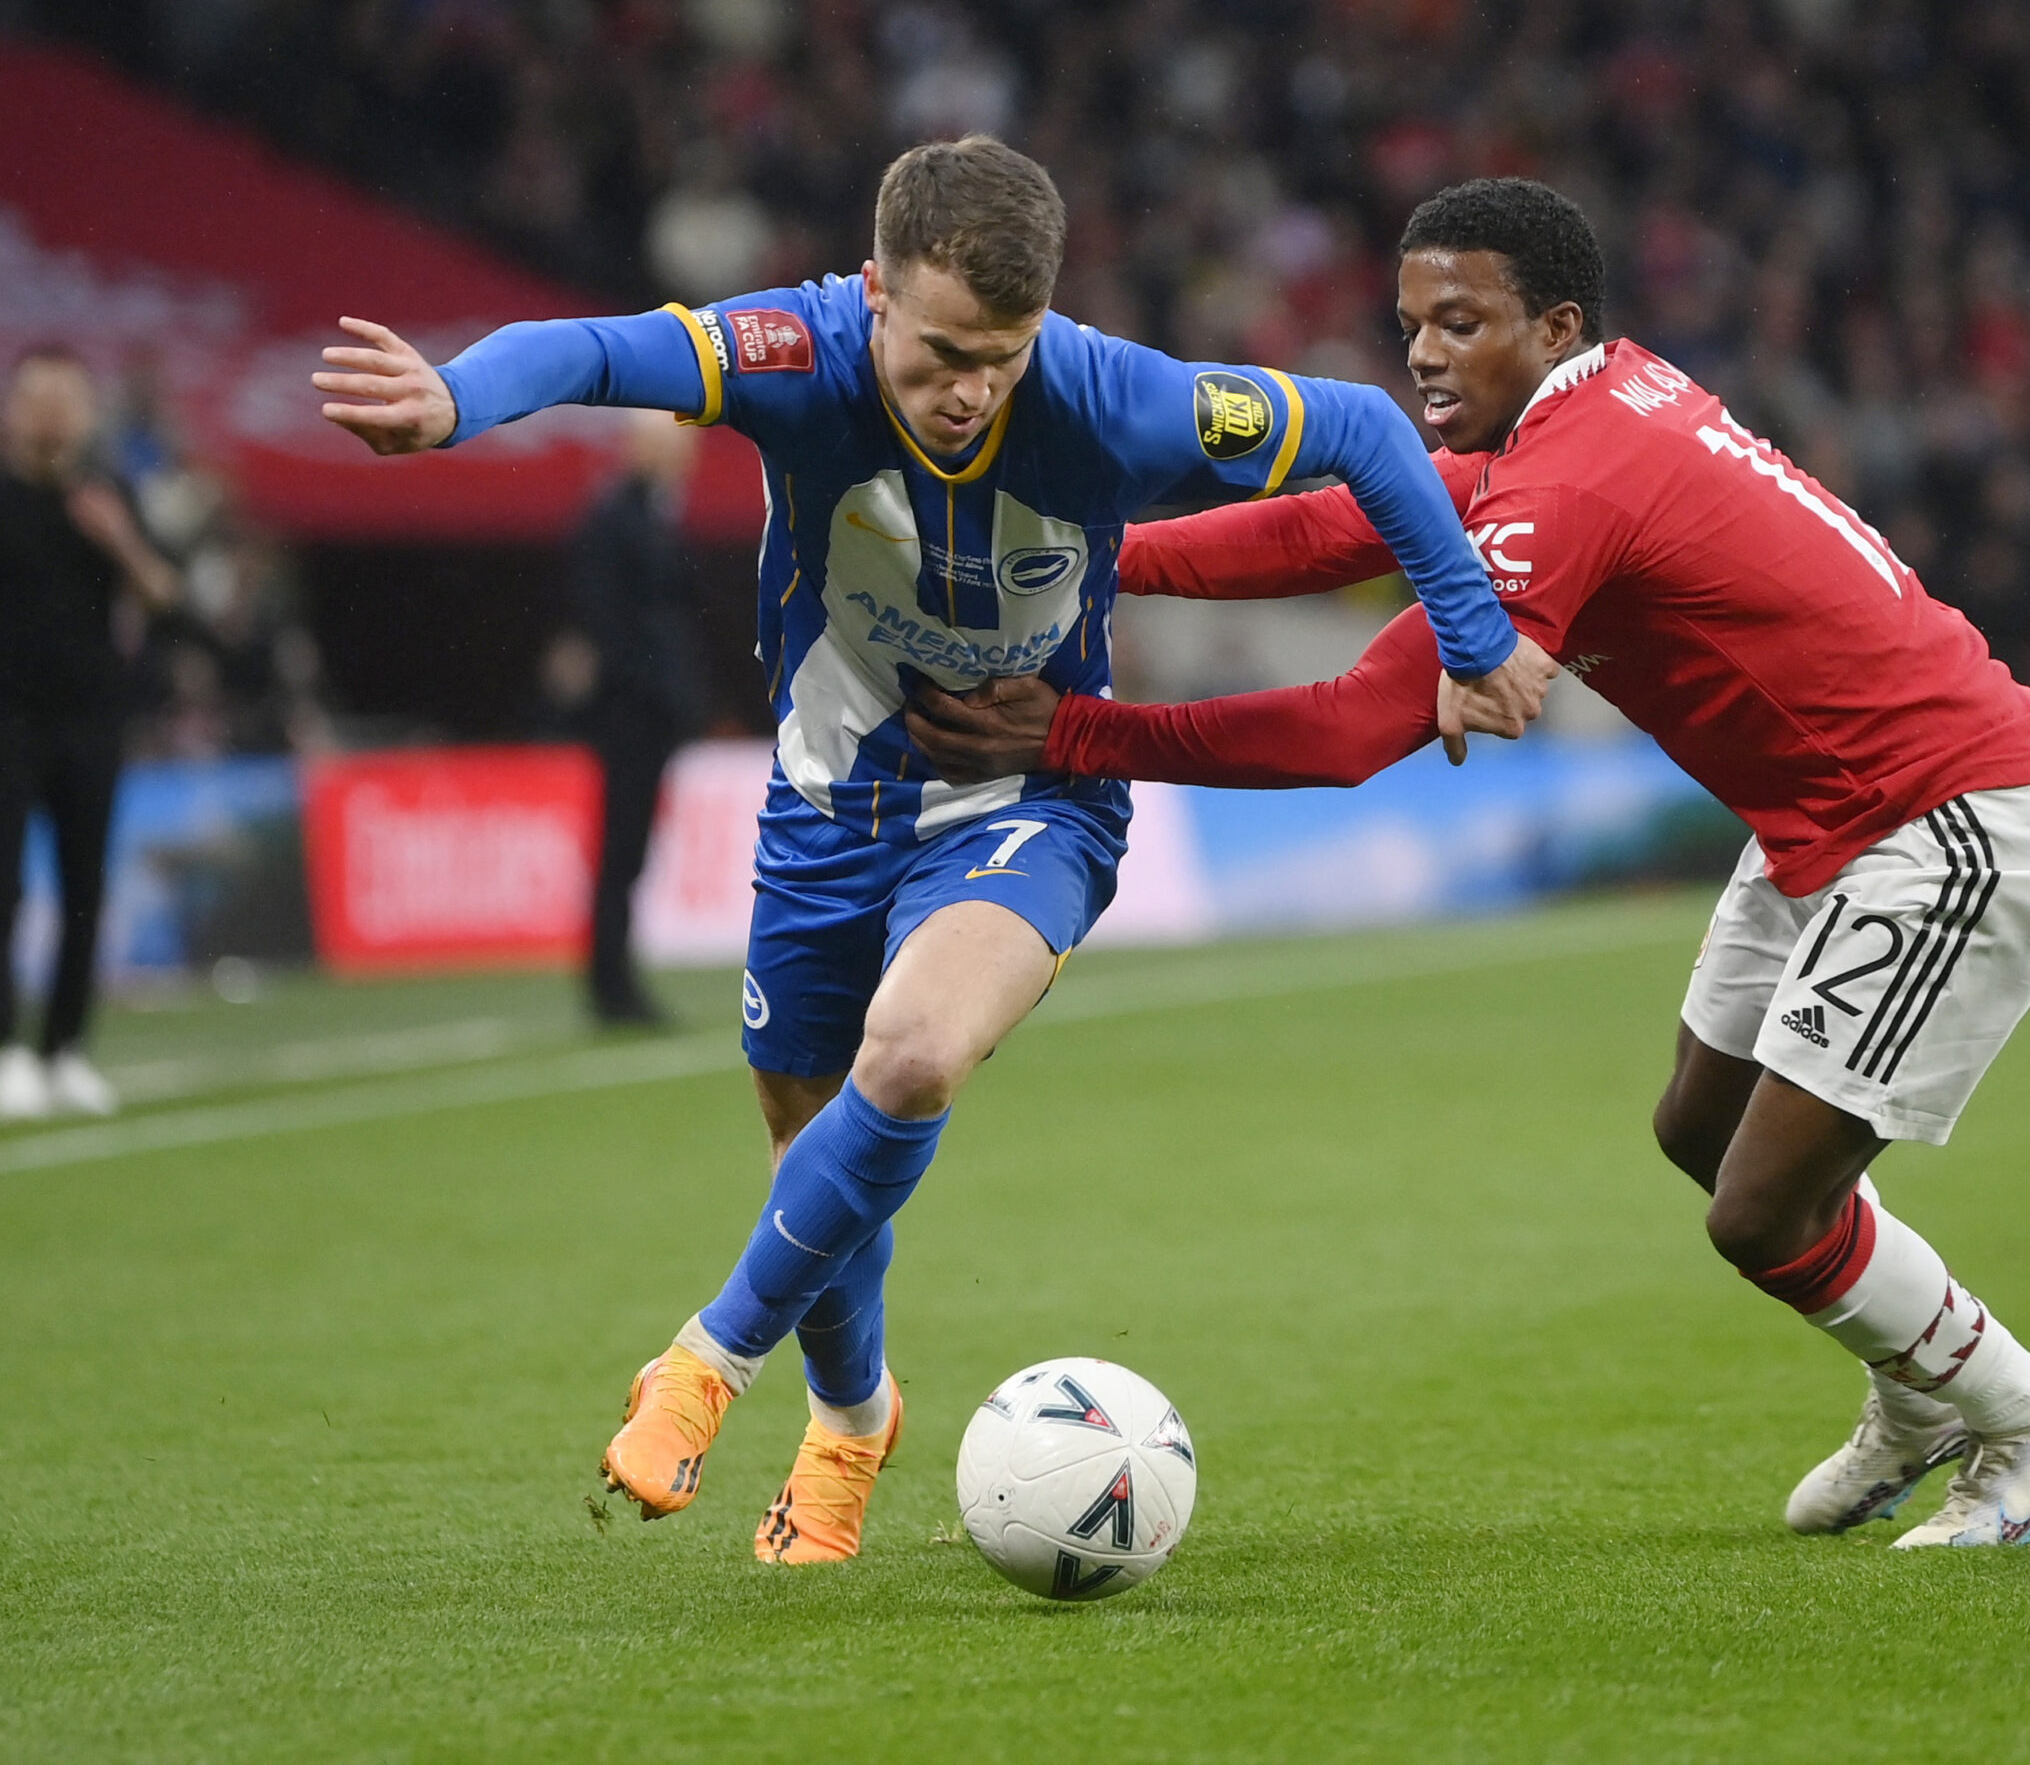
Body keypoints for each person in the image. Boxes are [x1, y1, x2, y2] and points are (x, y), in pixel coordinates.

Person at [315, 137, 1554, 1565]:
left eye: (1004, 356)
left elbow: (1360, 429)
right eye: (945, 350)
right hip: (826, 811)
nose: (972, 389)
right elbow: (596, 350)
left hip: (1025, 797)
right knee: (809, 1148)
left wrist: (1475, 635)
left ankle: (706, 1364)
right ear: (873, 294)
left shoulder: (1108, 397)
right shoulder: (793, 351)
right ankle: (854, 1419)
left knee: (905, 1061)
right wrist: (457, 398)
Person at [909, 179, 2030, 1550]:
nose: (1424, 352)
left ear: (1554, 324)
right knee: (1698, 1132)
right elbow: (1340, 525)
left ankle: (2023, 1417)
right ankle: (1922, 1389)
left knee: (1763, 1207)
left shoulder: (1579, 473)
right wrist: (1105, 559)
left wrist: (1070, 731)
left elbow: (1355, 727)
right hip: (1824, 823)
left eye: (1462, 322)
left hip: (1945, 822)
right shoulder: (1589, 415)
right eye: (1414, 320)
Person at [0, 349, 181, 1119]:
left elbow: (168, 598)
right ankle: (8, 1052)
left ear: (87, 412)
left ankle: (66, 1051)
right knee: (1, 886)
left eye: (66, 398)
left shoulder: (109, 499)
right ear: (13, 410)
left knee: (86, 893)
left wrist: (120, 539)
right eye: (36, 397)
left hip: (91, 719)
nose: (52, 412)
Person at [571, 411, 705, 1026]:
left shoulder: (650, 513)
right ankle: (611, 987)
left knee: (632, 851)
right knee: (621, 849)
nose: (688, 457)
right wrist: (657, 692)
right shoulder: (616, 519)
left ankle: (617, 982)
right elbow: (611, 623)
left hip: (649, 713)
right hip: (631, 716)